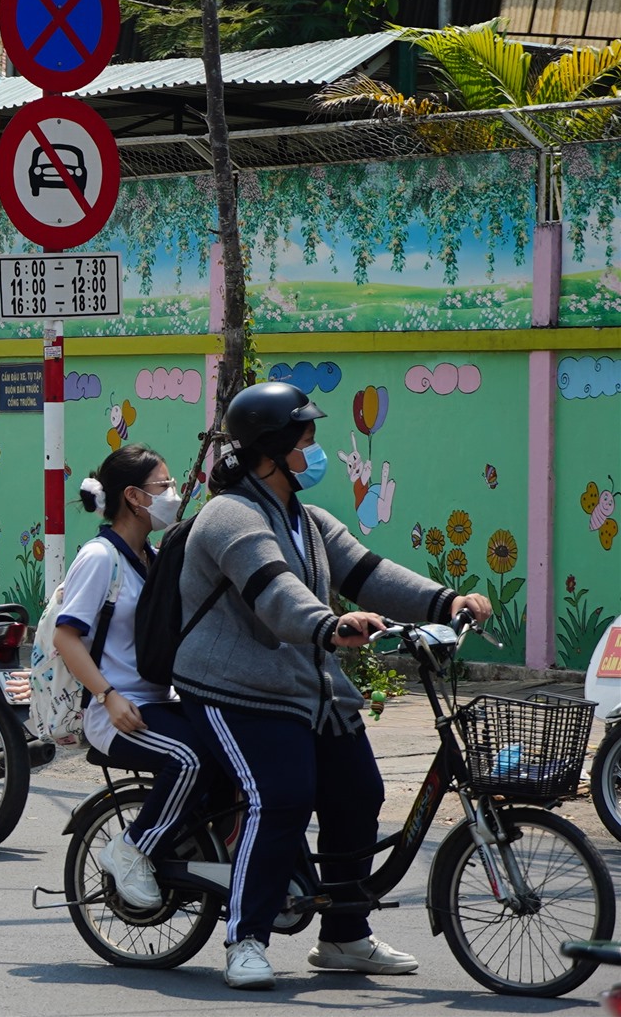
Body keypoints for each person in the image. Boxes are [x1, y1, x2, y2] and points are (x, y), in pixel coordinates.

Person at [174, 381, 492, 990]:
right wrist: (329, 624)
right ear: (272, 449)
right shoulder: (229, 516)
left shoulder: (308, 520)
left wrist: (446, 599)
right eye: (307, 439)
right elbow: (274, 592)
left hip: (305, 686)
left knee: (359, 792)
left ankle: (344, 935)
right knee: (284, 795)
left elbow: (371, 573)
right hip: (232, 688)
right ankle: (245, 938)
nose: (314, 451)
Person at [53, 445, 205, 913]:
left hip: (156, 701)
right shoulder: (101, 558)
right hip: (114, 712)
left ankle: (198, 851)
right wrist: (109, 696)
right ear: (135, 497)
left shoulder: (152, 557)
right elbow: (67, 637)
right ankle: (132, 847)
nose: (172, 494)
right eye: (163, 486)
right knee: (188, 759)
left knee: (234, 745)